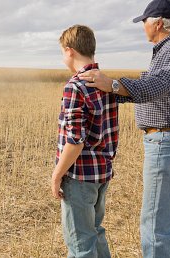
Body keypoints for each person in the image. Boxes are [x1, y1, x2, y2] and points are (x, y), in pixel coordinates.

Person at [78, 0, 170, 258]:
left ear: (158, 23)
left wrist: (112, 85)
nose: (143, 27)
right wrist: (115, 91)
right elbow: (156, 88)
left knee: (156, 228)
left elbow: (154, 86)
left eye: (144, 22)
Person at [52, 24, 119, 258]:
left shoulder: (75, 86)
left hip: (79, 176)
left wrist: (57, 174)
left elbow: (75, 140)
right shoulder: (105, 83)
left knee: (80, 244)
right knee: (95, 232)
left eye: (62, 52)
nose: (63, 58)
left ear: (69, 51)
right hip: (101, 173)